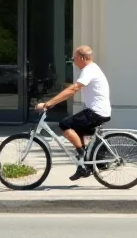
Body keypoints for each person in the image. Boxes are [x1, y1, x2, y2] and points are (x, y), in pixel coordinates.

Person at [35, 45, 111, 181]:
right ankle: (83, 166)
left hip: (96, 112)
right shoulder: (92, 69)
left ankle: (82, 154)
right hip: (99, 111)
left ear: (82, 58)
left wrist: (49, 103)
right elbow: (72, 88)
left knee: (65, 124)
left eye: (74, 58)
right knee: (78, 130)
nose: (73, 61)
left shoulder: (89, 70)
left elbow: (74, 89)